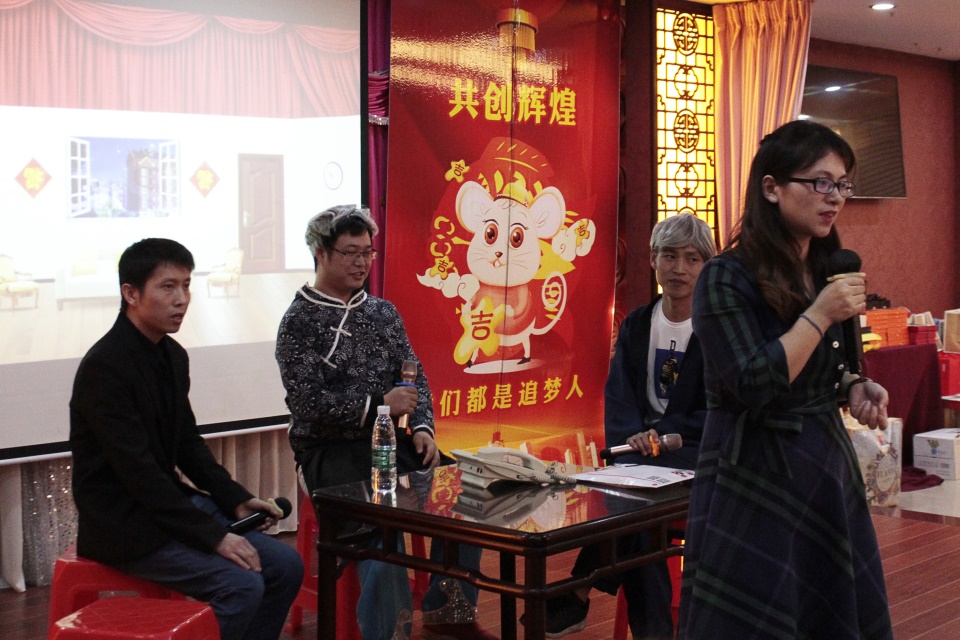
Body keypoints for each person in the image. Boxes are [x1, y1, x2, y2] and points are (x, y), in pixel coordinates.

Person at [677, 120, 894, 639]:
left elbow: (830, 365)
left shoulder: (827, 268)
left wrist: (852, 386)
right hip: (754, 468)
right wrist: (819, 314)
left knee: (829, 610)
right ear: (772, 188)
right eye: (820, 182)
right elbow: (751, 382)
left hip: (824, 462)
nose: (835, 197)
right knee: (756, 617)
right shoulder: (726, 275)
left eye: (842, 184)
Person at [275, 205, 495, 640]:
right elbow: (309, 404)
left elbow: (414, 376)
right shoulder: (298, 321)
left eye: (367, 253)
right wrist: (382, 403)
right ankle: (389, 633)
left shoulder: (382, 313)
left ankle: (449, 616)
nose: (361, 263)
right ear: (321, 253)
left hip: (390, 441)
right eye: (350, 253)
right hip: (329, 452)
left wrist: (423, 427)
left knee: (467, 496)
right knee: (379, 526)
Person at [70, 238, 304, 640]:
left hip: (166, 507)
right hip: (124, 524)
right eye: (167, 287)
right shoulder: (104, 367)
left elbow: (187, 444)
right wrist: (214, 536)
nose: (181, 299)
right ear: (131, 294)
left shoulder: (173, 356)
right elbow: (139, 474)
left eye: (186, 285)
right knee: (241, 585)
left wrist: (234, 498)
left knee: (286, 566)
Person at [535, 213, 715, 639]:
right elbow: (618, 397)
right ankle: (647, 629)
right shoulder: (637, 324)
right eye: (669, 256)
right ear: (653, 260)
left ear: (708, 266)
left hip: (697, 455)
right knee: (639, 516)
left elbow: (720, 409)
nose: (679, 268)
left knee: (634, 509)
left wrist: (664, 438)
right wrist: (633, 437)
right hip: (639, 456)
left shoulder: (717, 329)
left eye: (692, 259)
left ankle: (578, 593)